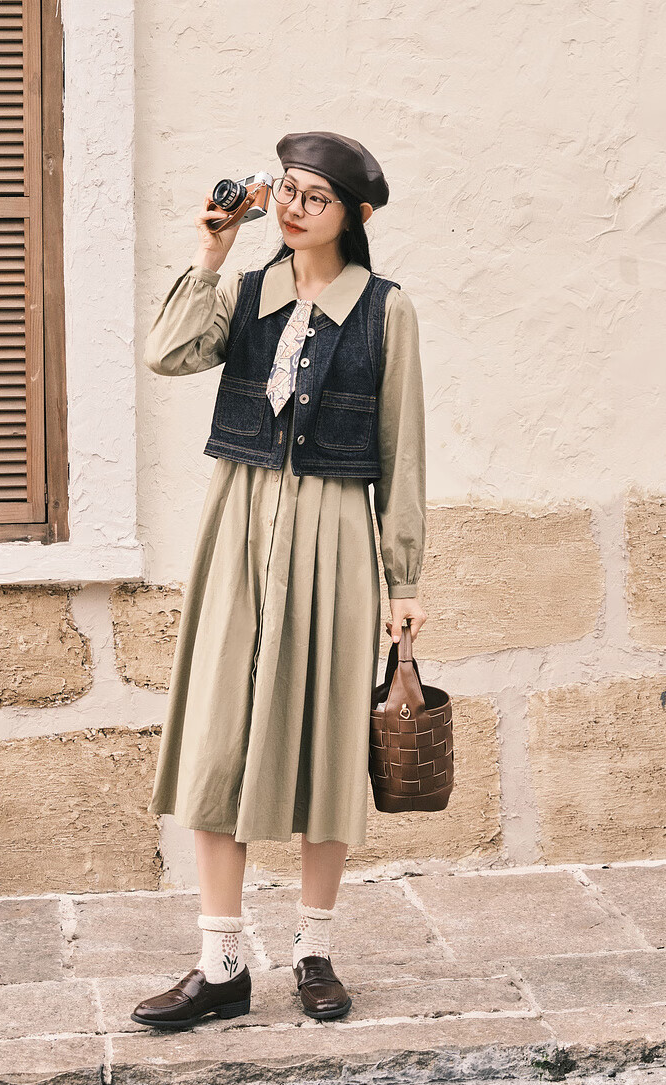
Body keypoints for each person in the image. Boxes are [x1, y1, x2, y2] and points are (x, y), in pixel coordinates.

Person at [131, 131, 427, 1031]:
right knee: (217, 733)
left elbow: (402, 450)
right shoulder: (247, 291)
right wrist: (212, 250)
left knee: (324, 741)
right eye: (287, 190)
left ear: (355, 215)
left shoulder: (386, 309)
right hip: (239, 522)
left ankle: (313, 950)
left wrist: (403, 580)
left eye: (315, 196)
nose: (294, 208)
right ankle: (220, 963)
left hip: (336, 534)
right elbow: (167, 354)